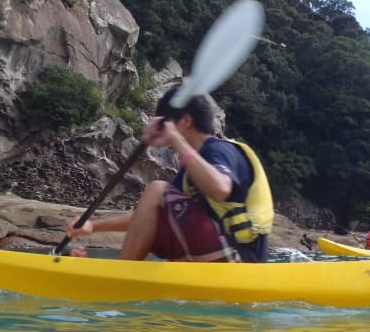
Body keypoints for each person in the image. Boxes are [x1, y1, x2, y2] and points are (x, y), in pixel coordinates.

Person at [66, 86, 274, 262]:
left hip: (242, 260)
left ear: (186, 121)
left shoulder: (220, 150)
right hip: (223, 257)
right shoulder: (190, 172)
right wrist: (93, 226)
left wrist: (176, 139)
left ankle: (120, 278)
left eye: (166, 123)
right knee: (157, 200)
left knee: (157, 188)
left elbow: (220, 189)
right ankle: (121, 275)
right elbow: (145, 217)